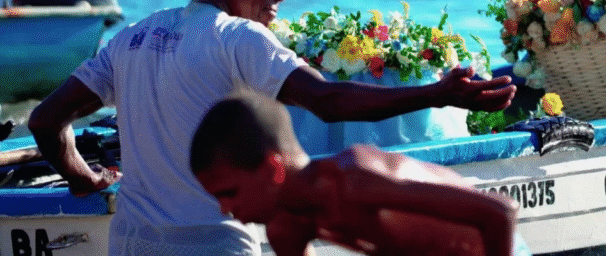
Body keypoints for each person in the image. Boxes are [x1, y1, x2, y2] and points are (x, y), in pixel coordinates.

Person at [28, 0, 517, 256]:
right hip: (216, 245)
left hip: (131, 243)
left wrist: (83, 178)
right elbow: (327, 102)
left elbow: (47, 120)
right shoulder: (237, 37)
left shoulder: (131, 37)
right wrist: (435, 95)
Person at [190, 95, 526, 256]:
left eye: (228, 193)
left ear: (273, 169)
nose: (224, 210)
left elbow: (499, 211)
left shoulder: (355, 179)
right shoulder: (285, 228)